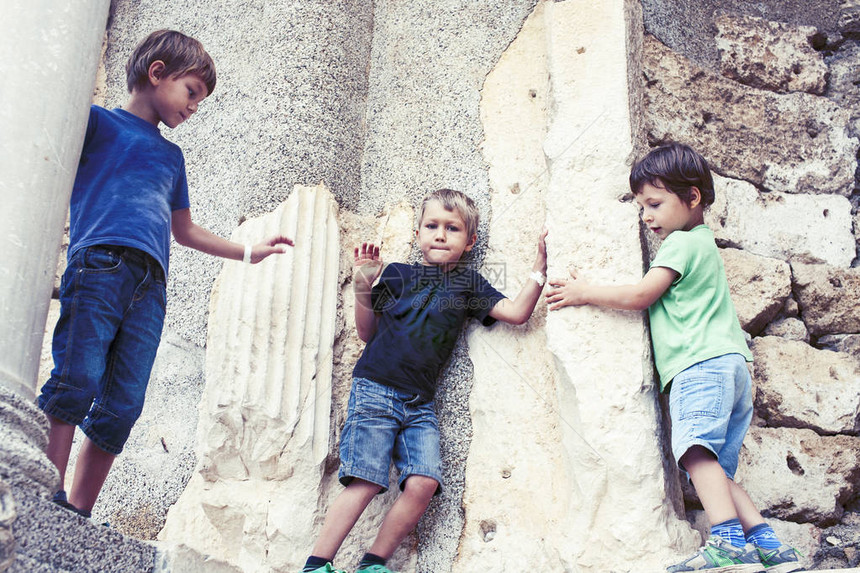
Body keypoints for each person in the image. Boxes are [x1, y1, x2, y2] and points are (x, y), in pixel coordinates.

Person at [38, 29, 293, 520]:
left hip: (150, 288)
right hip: (100, 266)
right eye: (191, 92)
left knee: (124, 404)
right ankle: (43, 492)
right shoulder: (95, 123)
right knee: (77, 379)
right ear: (156, 73)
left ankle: (76, 513)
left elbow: (185, 230)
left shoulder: (171, 156)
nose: (194, 107)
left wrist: (247, 252)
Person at [544, 143, 802, 573]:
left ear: (693, 197)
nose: (646, 216)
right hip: (731, 367)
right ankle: (770, 546)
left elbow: (642, 295)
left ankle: (726, 546)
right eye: (642, 206)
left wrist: (583, 291)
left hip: (700, 364)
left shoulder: (681, 244)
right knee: (711, 467)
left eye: (655, 203)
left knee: (695, 453)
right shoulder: (704, 244)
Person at [300, 188, 548, 573]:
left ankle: (373, 564)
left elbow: (516, 313)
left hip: (419, 404)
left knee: (424, 483)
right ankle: (317, 564)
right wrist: (364, 284)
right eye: (431, 225)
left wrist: (539, 269)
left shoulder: (469, 284)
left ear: (470, 242)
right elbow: (368, 333)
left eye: (452, 228)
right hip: (376, 389)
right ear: (418, 234)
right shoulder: (399, 274)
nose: (440, 234)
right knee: (365, 479)